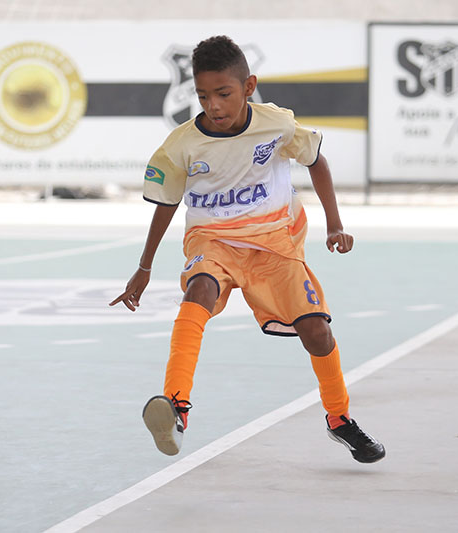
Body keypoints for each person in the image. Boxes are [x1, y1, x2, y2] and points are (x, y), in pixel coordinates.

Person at [109, 35, 385, 464]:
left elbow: (317, 162)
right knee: (198, 290)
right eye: (203, 95)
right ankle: (176, 408)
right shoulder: (180, 146)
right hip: (213, 240)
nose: (213, 105)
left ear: (248, 86)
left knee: (317, 332)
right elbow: (165, 206)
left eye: (223, 94)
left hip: (275, 242)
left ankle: (339, 418)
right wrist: (143, 268)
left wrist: (335, 224)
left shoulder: (276, 125)